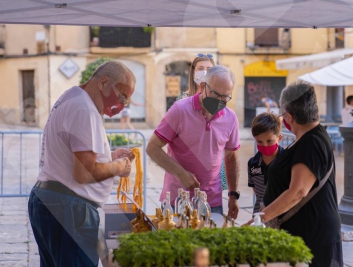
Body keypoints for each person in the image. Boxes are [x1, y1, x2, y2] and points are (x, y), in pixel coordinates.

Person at [28, 61, 136, 267]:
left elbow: (73, 155)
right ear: (104, 83)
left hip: (50, 200)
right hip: (69, 208)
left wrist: (109, 156)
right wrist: (119, 167)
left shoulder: (73, 97)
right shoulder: (84, 109)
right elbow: (84, 174)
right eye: (122, 96)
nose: (122, 104)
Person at [247, 80, 343, 267]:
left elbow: (298, 192)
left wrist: (260, 218)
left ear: (289, 116)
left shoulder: (311, 142)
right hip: (306, 233)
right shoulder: (309, 137)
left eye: (283, 114)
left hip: (313, 237)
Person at [147, 65, 241, 219]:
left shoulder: (231, 118)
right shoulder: (179, 110)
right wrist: (180, 173)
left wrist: (233, 196)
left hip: (212, 201)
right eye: (215, 94)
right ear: (203, 86)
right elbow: (152, 148)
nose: (219, 100)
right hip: (177, 199)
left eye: (225, 97)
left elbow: (231, 158)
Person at [176, 54, 228, 191]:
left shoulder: (219, 98)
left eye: (208, 68)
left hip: (212, 157)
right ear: (193, 71)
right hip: (188, 158)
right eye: (200, 68)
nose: (204, 72)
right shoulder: (183, 98)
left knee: (211, 204)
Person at [248, 112, 284, 214]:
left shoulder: (287, 161)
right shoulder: (252, 163)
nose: (265, 145)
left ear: (279, 138)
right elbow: (256, 191)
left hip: (283, 216)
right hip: (259, 215)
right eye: (260, 142)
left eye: (269, 141)